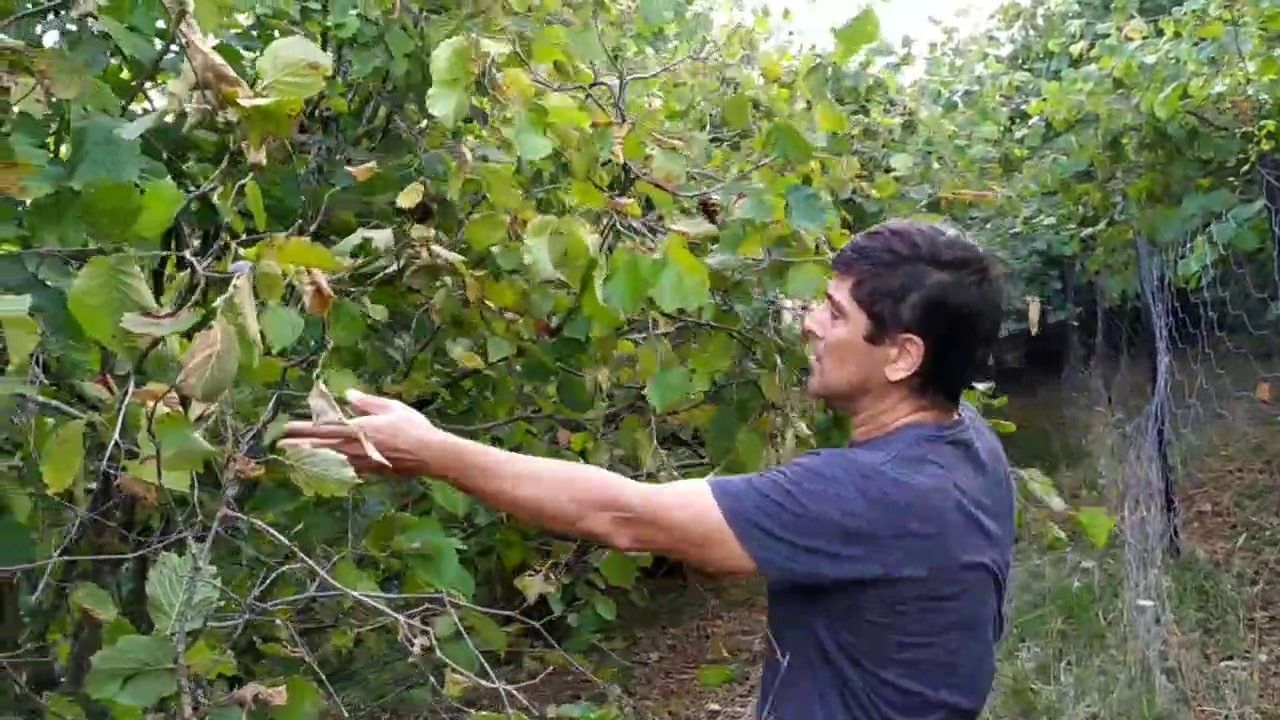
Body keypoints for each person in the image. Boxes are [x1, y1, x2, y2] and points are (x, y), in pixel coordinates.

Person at [280, 219, 1016, 719]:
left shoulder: (880, 492)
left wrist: (433, 449)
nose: (809, 324)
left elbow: (625, 517)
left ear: (903, 355)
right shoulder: (966, 446)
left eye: (834, 312)